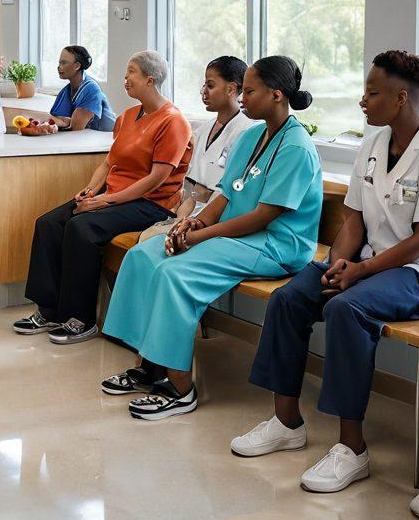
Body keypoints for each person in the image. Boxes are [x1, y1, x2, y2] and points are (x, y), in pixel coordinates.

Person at [232, 51, 419, 501]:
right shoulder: (373, 146)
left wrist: (359, 271)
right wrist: (338, 262)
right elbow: (353, 220)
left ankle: (351, 448)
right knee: (290, 297)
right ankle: (286, 423)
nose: (362, 101)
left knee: (346, 309)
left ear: (400, 99)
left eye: (372, 93)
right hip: (371, 262)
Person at [100, 56, 322, 421]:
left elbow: (265, 216)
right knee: (143, 256)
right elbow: (226, 192)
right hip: (234, 234)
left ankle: (179, 388)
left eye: (249, 91)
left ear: (277, 95)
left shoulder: (296, 146)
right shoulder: (253, 135)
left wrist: (203, 236)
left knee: (176, 274)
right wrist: (193, 224)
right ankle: (149, 366)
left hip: (276, 244)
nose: (243, 98)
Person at [13, 50, 191, 345]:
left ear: (150, 79)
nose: (125, 79)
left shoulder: (173, 121)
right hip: (115, 195)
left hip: (151, 204)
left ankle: (80, 319)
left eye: (131, 72)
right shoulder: (127, 118)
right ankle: (49, 310)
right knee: (48, 223)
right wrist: (92, 190)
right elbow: (109, 163)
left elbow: (155, 179)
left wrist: (106, 201)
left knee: (81, 228)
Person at [138, 56, 254, 242]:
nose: (203, 92)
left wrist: (194, 223)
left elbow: (229, 195)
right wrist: (180, 221)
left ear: (231, 89)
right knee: (147, 240)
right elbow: (191, 190)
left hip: (218, 226)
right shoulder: (201, 132)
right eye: (204, 85)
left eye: (210, 85)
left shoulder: (247, 133)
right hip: (190, 218)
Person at [48, 46, 116, 132]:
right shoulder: (66, 91)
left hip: (108, 138)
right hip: (87, 138)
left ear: (77, 66)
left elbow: (75, 128)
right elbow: (55, 120)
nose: (59, 67)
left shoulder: (91, 88)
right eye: (59, 63)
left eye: (63, 63)